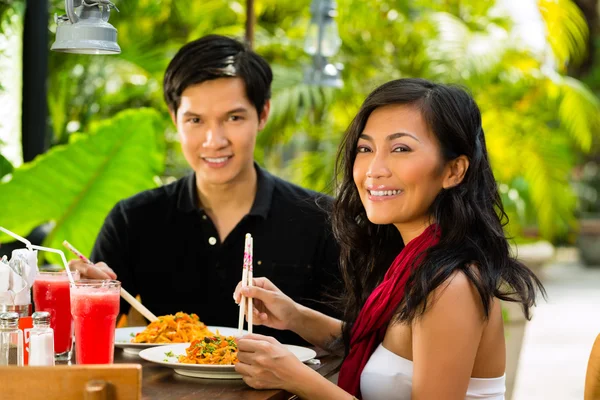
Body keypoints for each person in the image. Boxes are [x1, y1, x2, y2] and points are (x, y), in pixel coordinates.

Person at [232, 78, 545, 399]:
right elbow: (378, 344)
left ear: (454, 171)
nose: (374, 169)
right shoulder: (417, 259)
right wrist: (294, 315)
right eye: (365, 149)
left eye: (400, 148)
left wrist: (297, 378)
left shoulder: (451, 286)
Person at [69, 35, 340, 345]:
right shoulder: (133, 219)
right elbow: (86, 336)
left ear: (263, 113)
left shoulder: (322, 218)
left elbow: (355, 342)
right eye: (195, 120)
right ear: (175, 119)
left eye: (233, 118)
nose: (214, 140)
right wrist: (82, 293)